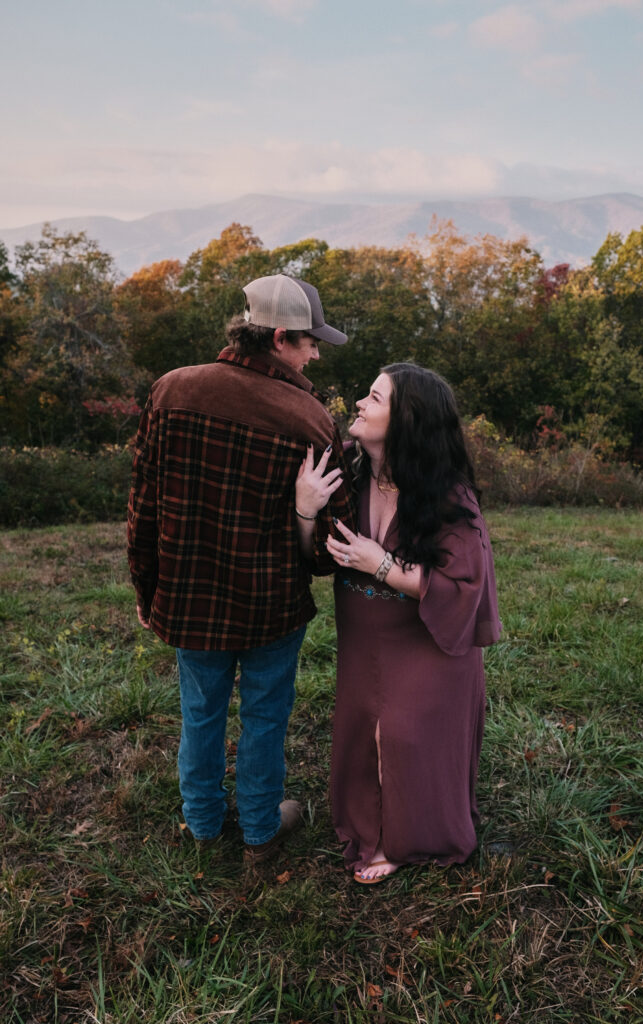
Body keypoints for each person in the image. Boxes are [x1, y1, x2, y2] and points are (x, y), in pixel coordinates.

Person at [127, 273, 353, 863]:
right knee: (265, 716)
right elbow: (333, 546)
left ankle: (202, 825)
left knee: (199, 714)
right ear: (279, 337)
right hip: (270, 607)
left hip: (187, 598)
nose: (315, 353)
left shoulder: (171, 390)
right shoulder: (311, 422)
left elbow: (142, 505)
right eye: (309, 342)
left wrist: (146, 587)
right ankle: (259, 831)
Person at [296, 362, 501, 883]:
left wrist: (380, 564)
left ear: (406, 419)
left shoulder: (448, 494)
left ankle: (404, 839)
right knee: (367, 735)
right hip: (366, 640)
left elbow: (462, 585)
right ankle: (374, 825)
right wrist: (303, 511)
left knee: (402, 736)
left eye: (373, 397)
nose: (359, 405)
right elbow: (312, 558)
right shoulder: (347, 469)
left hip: (427, 642)